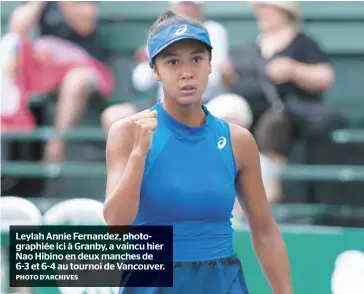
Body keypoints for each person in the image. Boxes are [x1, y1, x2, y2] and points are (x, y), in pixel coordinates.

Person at [103, 9, 292, 294]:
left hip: (220, 282)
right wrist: (139, 153)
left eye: (196, 58)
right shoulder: (128, 133)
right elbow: (117, 225)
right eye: (172, 62)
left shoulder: (238, 141)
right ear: (155, 70)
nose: (187, 71)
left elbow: (264, 230)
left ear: (210, 64)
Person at [220, 1, 334, 203]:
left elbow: (325, 77)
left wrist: (293, 70)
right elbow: (236, 81)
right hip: (251, 109)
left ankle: (269, 191)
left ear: (283, 13)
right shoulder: (251, 46)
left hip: (290, 113)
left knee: (274, 123)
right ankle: (228, 188)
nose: (260, 13)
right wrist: (227, 75)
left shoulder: (303, 42)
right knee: (226, 115)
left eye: (266, 8)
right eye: (259, 9)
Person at [101, 1, 252, 134]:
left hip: (206, 103)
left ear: (200, 7)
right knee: (114, 117)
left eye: (196, 59)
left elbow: (214, 80)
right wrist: (151, 63)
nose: (186, 9)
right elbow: (141, 81)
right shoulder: (161, 33)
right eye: (182, 4)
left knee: (233, 110)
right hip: (163, 105)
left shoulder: (213, 31)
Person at [6, 1, 113, 162]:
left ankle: (55, 148)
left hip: (84, 65)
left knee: (75, 81)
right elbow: (17, 29)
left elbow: (85, 25)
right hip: (47, 69)